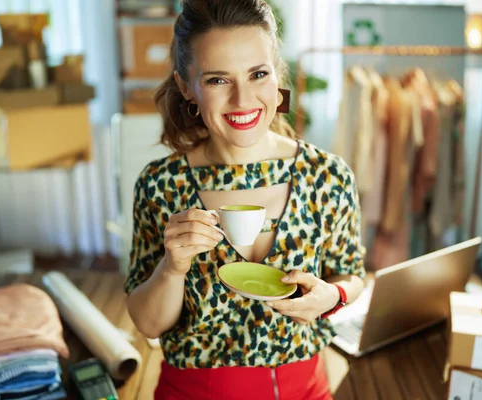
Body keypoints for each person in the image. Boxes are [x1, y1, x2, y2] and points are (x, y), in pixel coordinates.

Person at [124, 0, 366, 398]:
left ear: (277, 74)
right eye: (218, 80)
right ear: (187, 87)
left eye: (257, 74)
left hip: (305, 389)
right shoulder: (159, 185)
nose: (243, 100)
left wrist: (332, 296)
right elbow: (148, 325)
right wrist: (172, 267)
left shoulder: (328, 175)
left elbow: (351, 274)